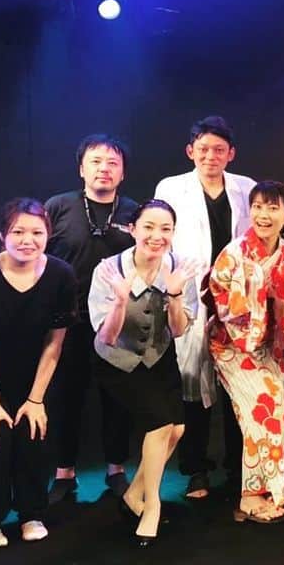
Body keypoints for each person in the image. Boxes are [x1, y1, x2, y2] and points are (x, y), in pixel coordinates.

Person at [0, 199, 77, 547]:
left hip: (34, 372)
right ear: (2, 235)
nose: (27, 240)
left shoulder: (61, 275)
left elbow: (54, 344)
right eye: (18, 232)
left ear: (48, 235)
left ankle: (32, 514)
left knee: (34, 436)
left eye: (37, 232)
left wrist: (35, 399)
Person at [154, 116, 256, 500]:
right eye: (203, 149)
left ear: (231, 154)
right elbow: (161, 237)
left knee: (237, 385)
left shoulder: (246, 187)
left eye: (218, 150)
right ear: (190, 151)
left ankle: (237, 468)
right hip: (192, 293)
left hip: (236, 297)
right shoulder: (171, 187)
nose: (210, 156)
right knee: (193, 384)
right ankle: (196, 469)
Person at [88, 200, 199, 546]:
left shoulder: (179, 267)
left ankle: (132, 495)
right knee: (161, 425)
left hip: (159, 357)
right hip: (116, 361)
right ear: (132, 229)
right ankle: (152, 505)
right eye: (148, 227)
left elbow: (178, 330)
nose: (156, 236)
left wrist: (175, 293)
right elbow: (106, 337)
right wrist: (121, 301)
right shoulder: (109, 270)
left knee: (177, 428)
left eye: (165, 229)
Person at [208, 182, 284, 523]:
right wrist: (256, 287)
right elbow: (221, 300)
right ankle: (255, 495)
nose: (263, 215)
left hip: (269, 345)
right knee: (260, 413)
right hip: (232, 345)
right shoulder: (234, 252)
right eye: (257, 207)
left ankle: (257, 492)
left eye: (272, 207)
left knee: (275, 413)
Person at [45, 134, 138, 503]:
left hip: (117, 321)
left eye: (113, 163)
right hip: (68, 322)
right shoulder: (58, 207)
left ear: (123, 172)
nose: (104, 169)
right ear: (81, 168)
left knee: (117, 398)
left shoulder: (133, 212)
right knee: (66, 398)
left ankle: (116, 470)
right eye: (96, 161)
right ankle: (64, 474)